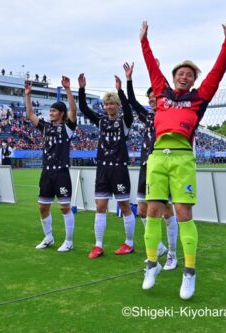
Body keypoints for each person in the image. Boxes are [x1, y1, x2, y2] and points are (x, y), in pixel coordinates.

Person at [139, 19, 226, 300]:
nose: (184, 77)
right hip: (157, 158)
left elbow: (217, 74)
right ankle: (151, 265)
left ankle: (189, 272)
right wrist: (144, 41)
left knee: (183, 213)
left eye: (189, 75)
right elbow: (151, 67)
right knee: (152, 211)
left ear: (194, 80)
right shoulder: (161, 93)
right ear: (173, 77)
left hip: (183, 159)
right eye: (180, 73)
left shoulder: (199, 98)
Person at [123, 61, 178, 270]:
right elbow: (131, 101)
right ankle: (159, 248)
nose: (152, 100)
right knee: (142, 211)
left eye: (155, 96)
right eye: (150, 97)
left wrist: (157, 71)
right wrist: (129, 79)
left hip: (164, 166)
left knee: (166, 211)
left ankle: (172, 255)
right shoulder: (147, 116)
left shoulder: (169, 114)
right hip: (147, 166)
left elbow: (167, 90)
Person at [78, 73, 135, 259]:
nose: (109, 106)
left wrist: (121, 89)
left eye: (112, 103)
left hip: (119, 169)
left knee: (124, 205)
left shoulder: (125, 122)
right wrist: (81, 89)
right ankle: (98, 245)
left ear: (117, 105)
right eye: (107, 104)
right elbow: (85, 109)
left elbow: (128, 110)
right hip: (103, 169)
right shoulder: (101, 121)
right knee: (100, 206)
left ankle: (129, 243)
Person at [26, 76, 77, 252]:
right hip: (46, 173)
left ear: (61, 113)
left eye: (54, 110)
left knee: (64, 208)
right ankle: (48, 237)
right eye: (51, 110)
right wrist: (28, 95)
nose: (51, 112)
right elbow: (31, 115)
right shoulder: (46, 127)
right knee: (42, 207)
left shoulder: (68, 128)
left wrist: (68, 90)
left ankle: (69, 241)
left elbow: (73, 110)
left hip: (62, 173)